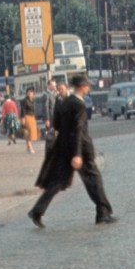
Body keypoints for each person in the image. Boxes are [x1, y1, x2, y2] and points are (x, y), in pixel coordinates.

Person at [28, 74, 116, 228]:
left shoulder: (64, 102)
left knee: (57, 182)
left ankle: (37, 211)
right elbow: (78, 130)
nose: (88, 88)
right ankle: (103, 213)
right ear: (81, 87)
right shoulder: (79, 105)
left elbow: (57, 125)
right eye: (87, 86)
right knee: (94, 179)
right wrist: (77, 154)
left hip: (63, 147)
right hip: (80, 148)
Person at [20, 86, 40, 154]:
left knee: (31, 132)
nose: (30, 93)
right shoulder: (25, 100)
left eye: (31, 92)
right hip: (27, 117)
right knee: (29, 132)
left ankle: (28, 147)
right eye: (28, 92)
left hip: (32, 117)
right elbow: (22, 110)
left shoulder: (33, 100)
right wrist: (22, 118)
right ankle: (30, 147)